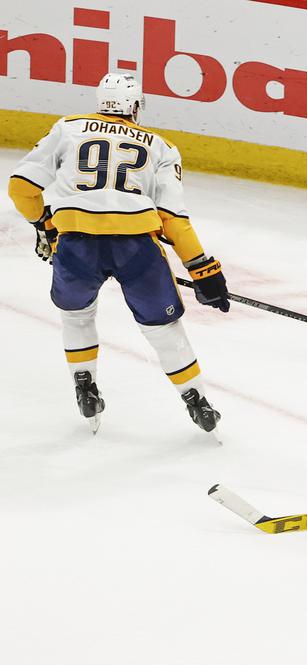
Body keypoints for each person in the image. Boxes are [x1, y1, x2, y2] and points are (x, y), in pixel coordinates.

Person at [7, 73, 228, 433]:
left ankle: (84, 384)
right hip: (136, 247)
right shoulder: (161, 146)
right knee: (164, 328)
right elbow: (172, 219)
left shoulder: (69, 128)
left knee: (77, 317)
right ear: (136, 106)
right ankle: (196, 401)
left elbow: (21, 188)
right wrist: (203, 269)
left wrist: (43, 224)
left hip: (77, 243)